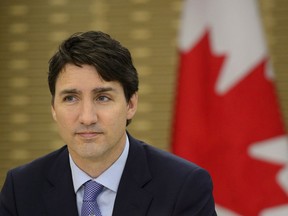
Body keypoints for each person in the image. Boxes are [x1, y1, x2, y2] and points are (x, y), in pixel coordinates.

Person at [0, 31, 217, 216]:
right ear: (53, 108)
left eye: (102, 98)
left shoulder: (185, 187)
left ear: (131, 104)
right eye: (70, 98)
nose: (87, 117)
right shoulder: (21, 189)